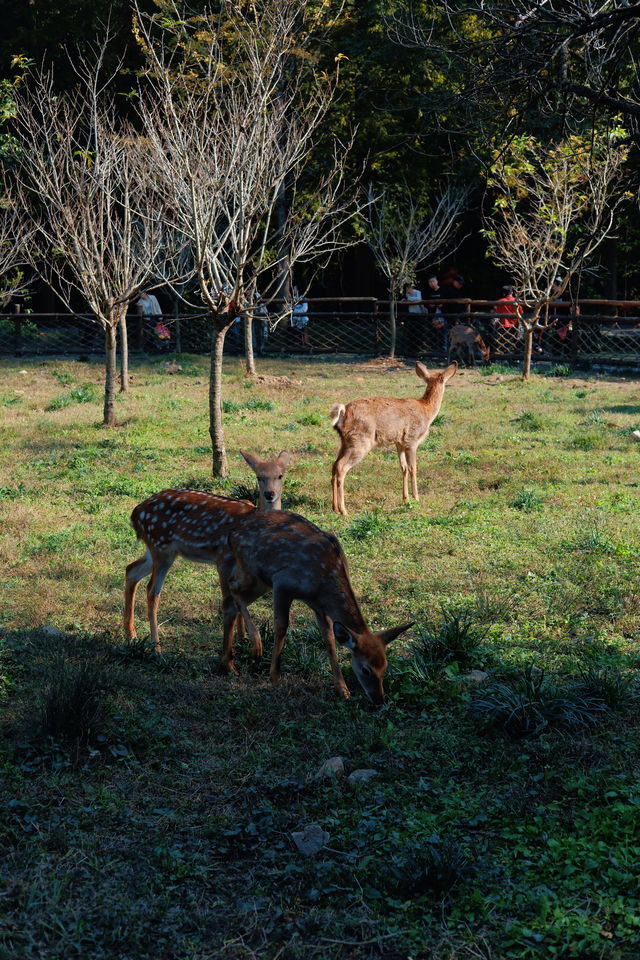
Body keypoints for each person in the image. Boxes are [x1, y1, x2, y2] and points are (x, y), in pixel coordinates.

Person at [493, 284, 522, 354]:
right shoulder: (517, 301)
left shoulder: (500, 301)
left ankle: (504, 356)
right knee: (515, 342)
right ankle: (516, 356)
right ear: (512, 292)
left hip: (503, 325)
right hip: (515, 325)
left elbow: (497, 313)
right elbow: (521, 312)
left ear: (503, 293)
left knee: (503, 342)